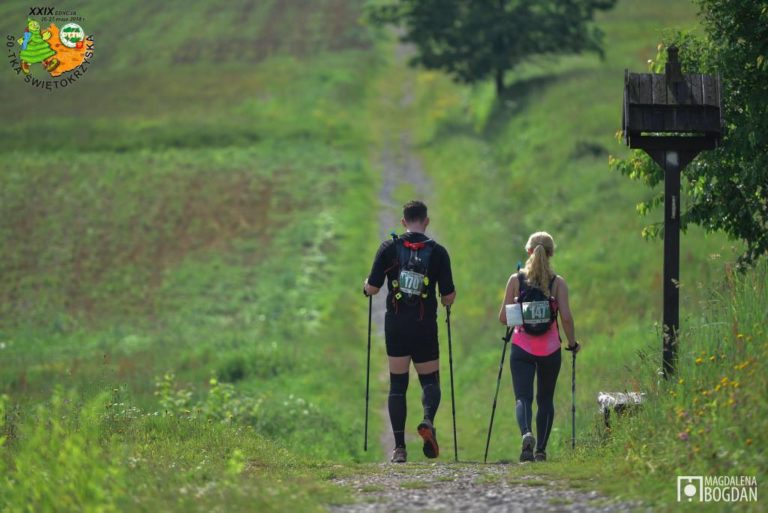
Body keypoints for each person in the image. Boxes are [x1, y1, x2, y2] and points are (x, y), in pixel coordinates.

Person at [364, 200, 456, 463]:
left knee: (398, 385)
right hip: (424, 326)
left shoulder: (388, 248)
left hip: (396, 326)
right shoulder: (438, 252)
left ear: (403, 222)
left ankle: (399, 449)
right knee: (430, 381)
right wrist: (445, 299)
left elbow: (372, 288)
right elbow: (448, 296)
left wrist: (366, 286)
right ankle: (427, 420)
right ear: (426, 221)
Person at [498, 231, 579, 462]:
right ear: (551, 253)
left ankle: (526, 434)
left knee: (523, 398)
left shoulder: (516, 280)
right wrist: (572, 343)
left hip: (521, 348)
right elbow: (566, 318)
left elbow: (503, 318)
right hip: (550, 351)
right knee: (545, 400)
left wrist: (519, 312)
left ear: (528, 251)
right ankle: (541, 450)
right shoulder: (558, 283)